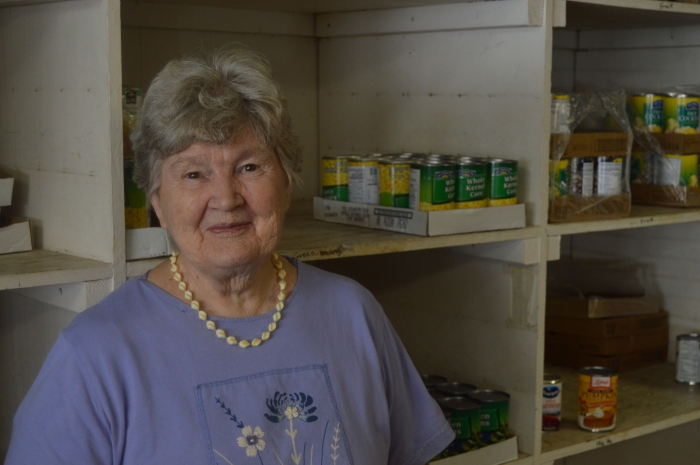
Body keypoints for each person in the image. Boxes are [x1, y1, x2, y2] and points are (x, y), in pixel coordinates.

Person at [6, 46, 454, 464]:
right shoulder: (94, 355)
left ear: (285, 182)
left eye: (250, 167)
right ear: (157, 200)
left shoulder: (354, 313)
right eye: (194, 173)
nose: (225, 197)